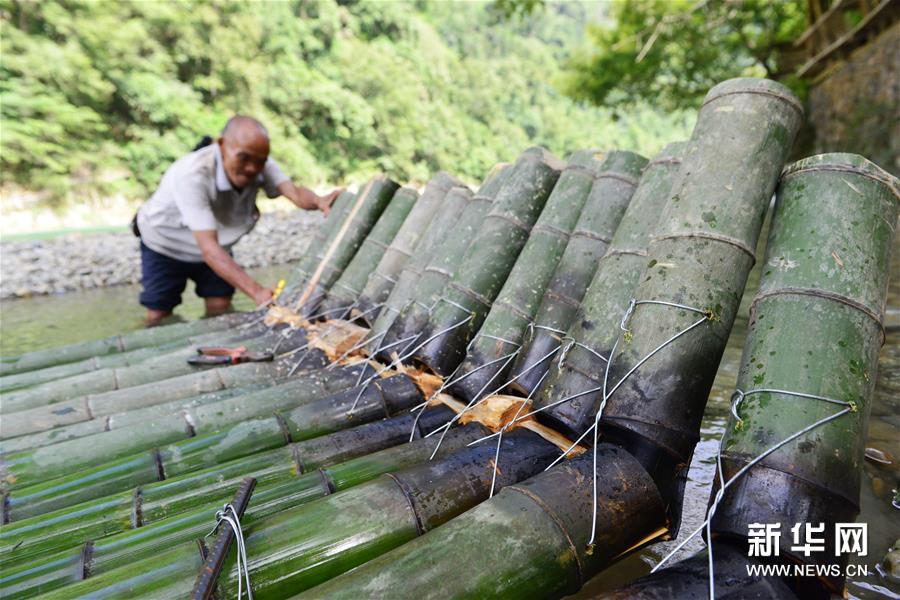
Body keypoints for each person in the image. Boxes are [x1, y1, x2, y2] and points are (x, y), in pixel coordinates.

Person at [135, 116, 340, 326]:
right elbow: (209, 249)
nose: (252, 168)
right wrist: (258, 293)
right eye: (244, 158)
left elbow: (295, 193)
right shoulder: (193, 174)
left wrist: (318, 200)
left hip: (216, 244)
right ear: (221, 144)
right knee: (159, 313)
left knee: (220, 304)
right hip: (166, 244)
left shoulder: (262, 164)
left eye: (259, 161)